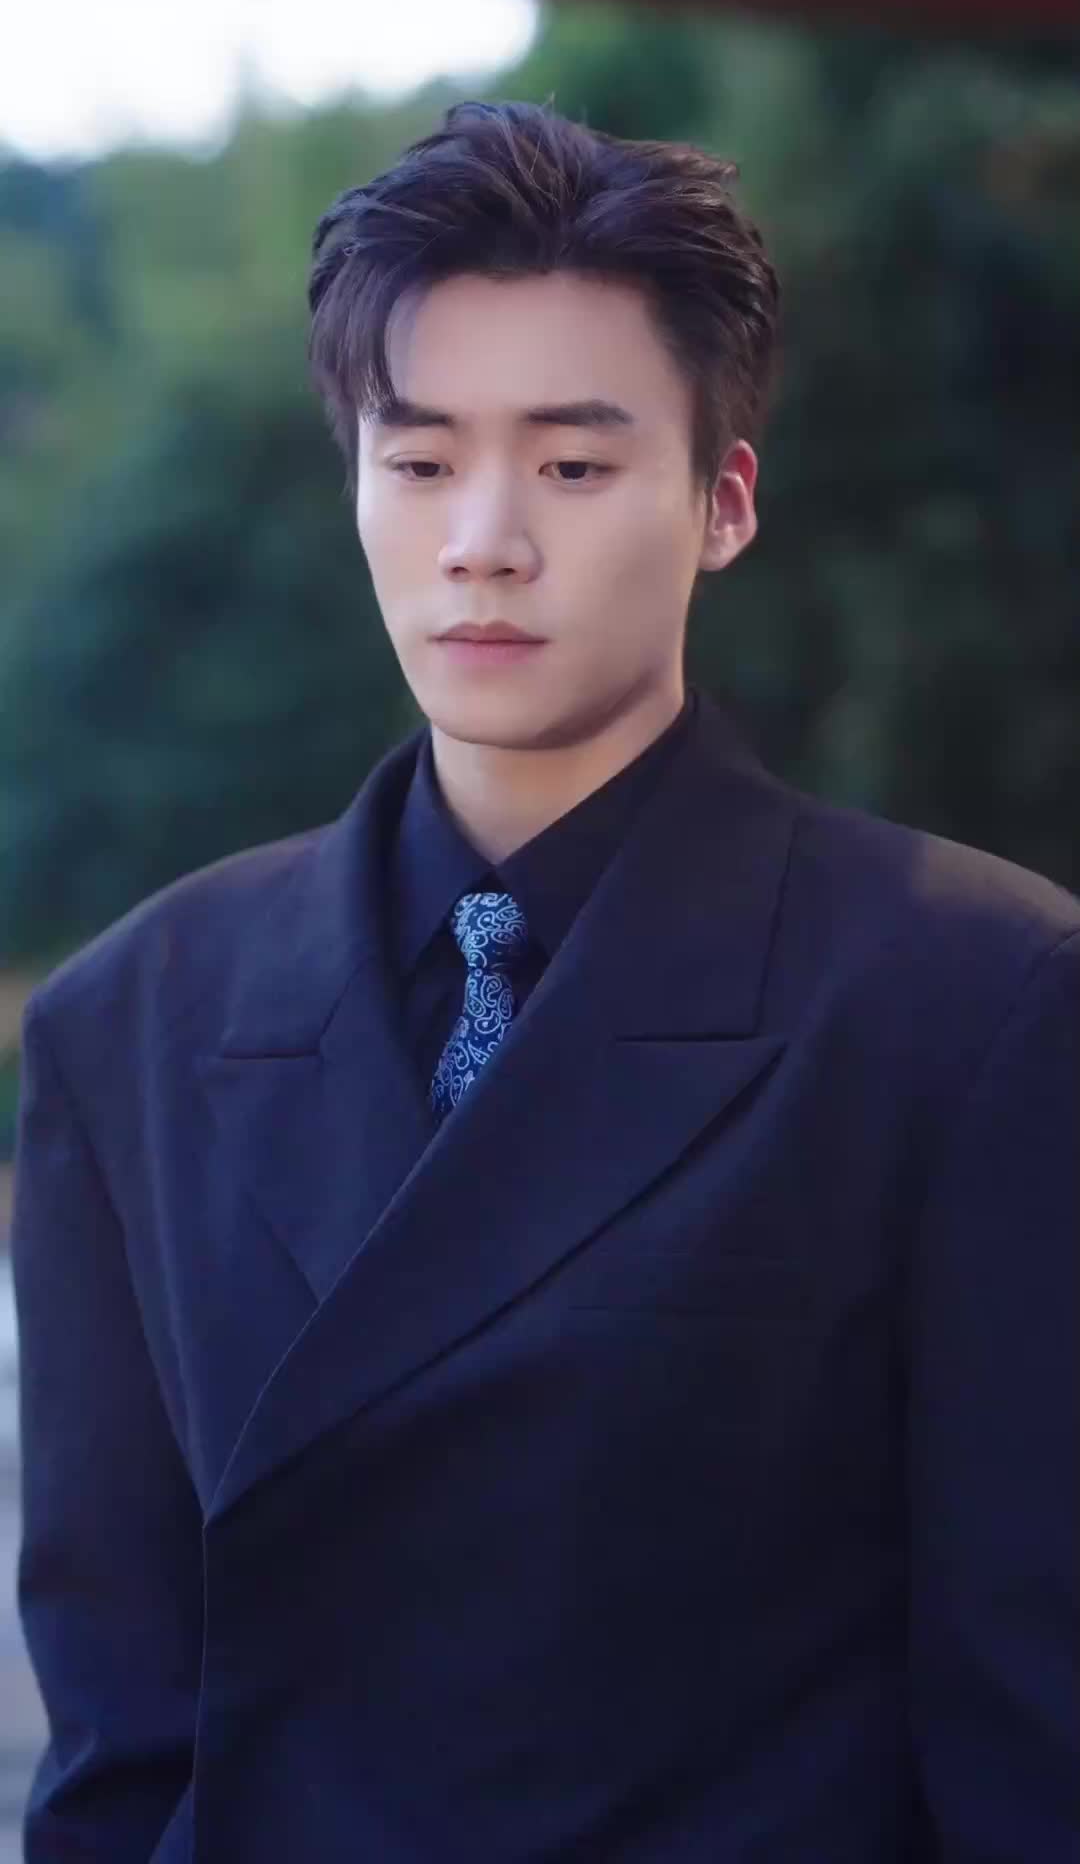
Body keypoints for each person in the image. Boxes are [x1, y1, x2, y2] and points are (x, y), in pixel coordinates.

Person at [11, 98, 1078, 1863]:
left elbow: (1033, 1735)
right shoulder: (130, 1022)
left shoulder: (973, 1003)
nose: (484, 541)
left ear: (724, 503)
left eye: (574, 468)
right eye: (421, 462)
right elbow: (119, 1743)